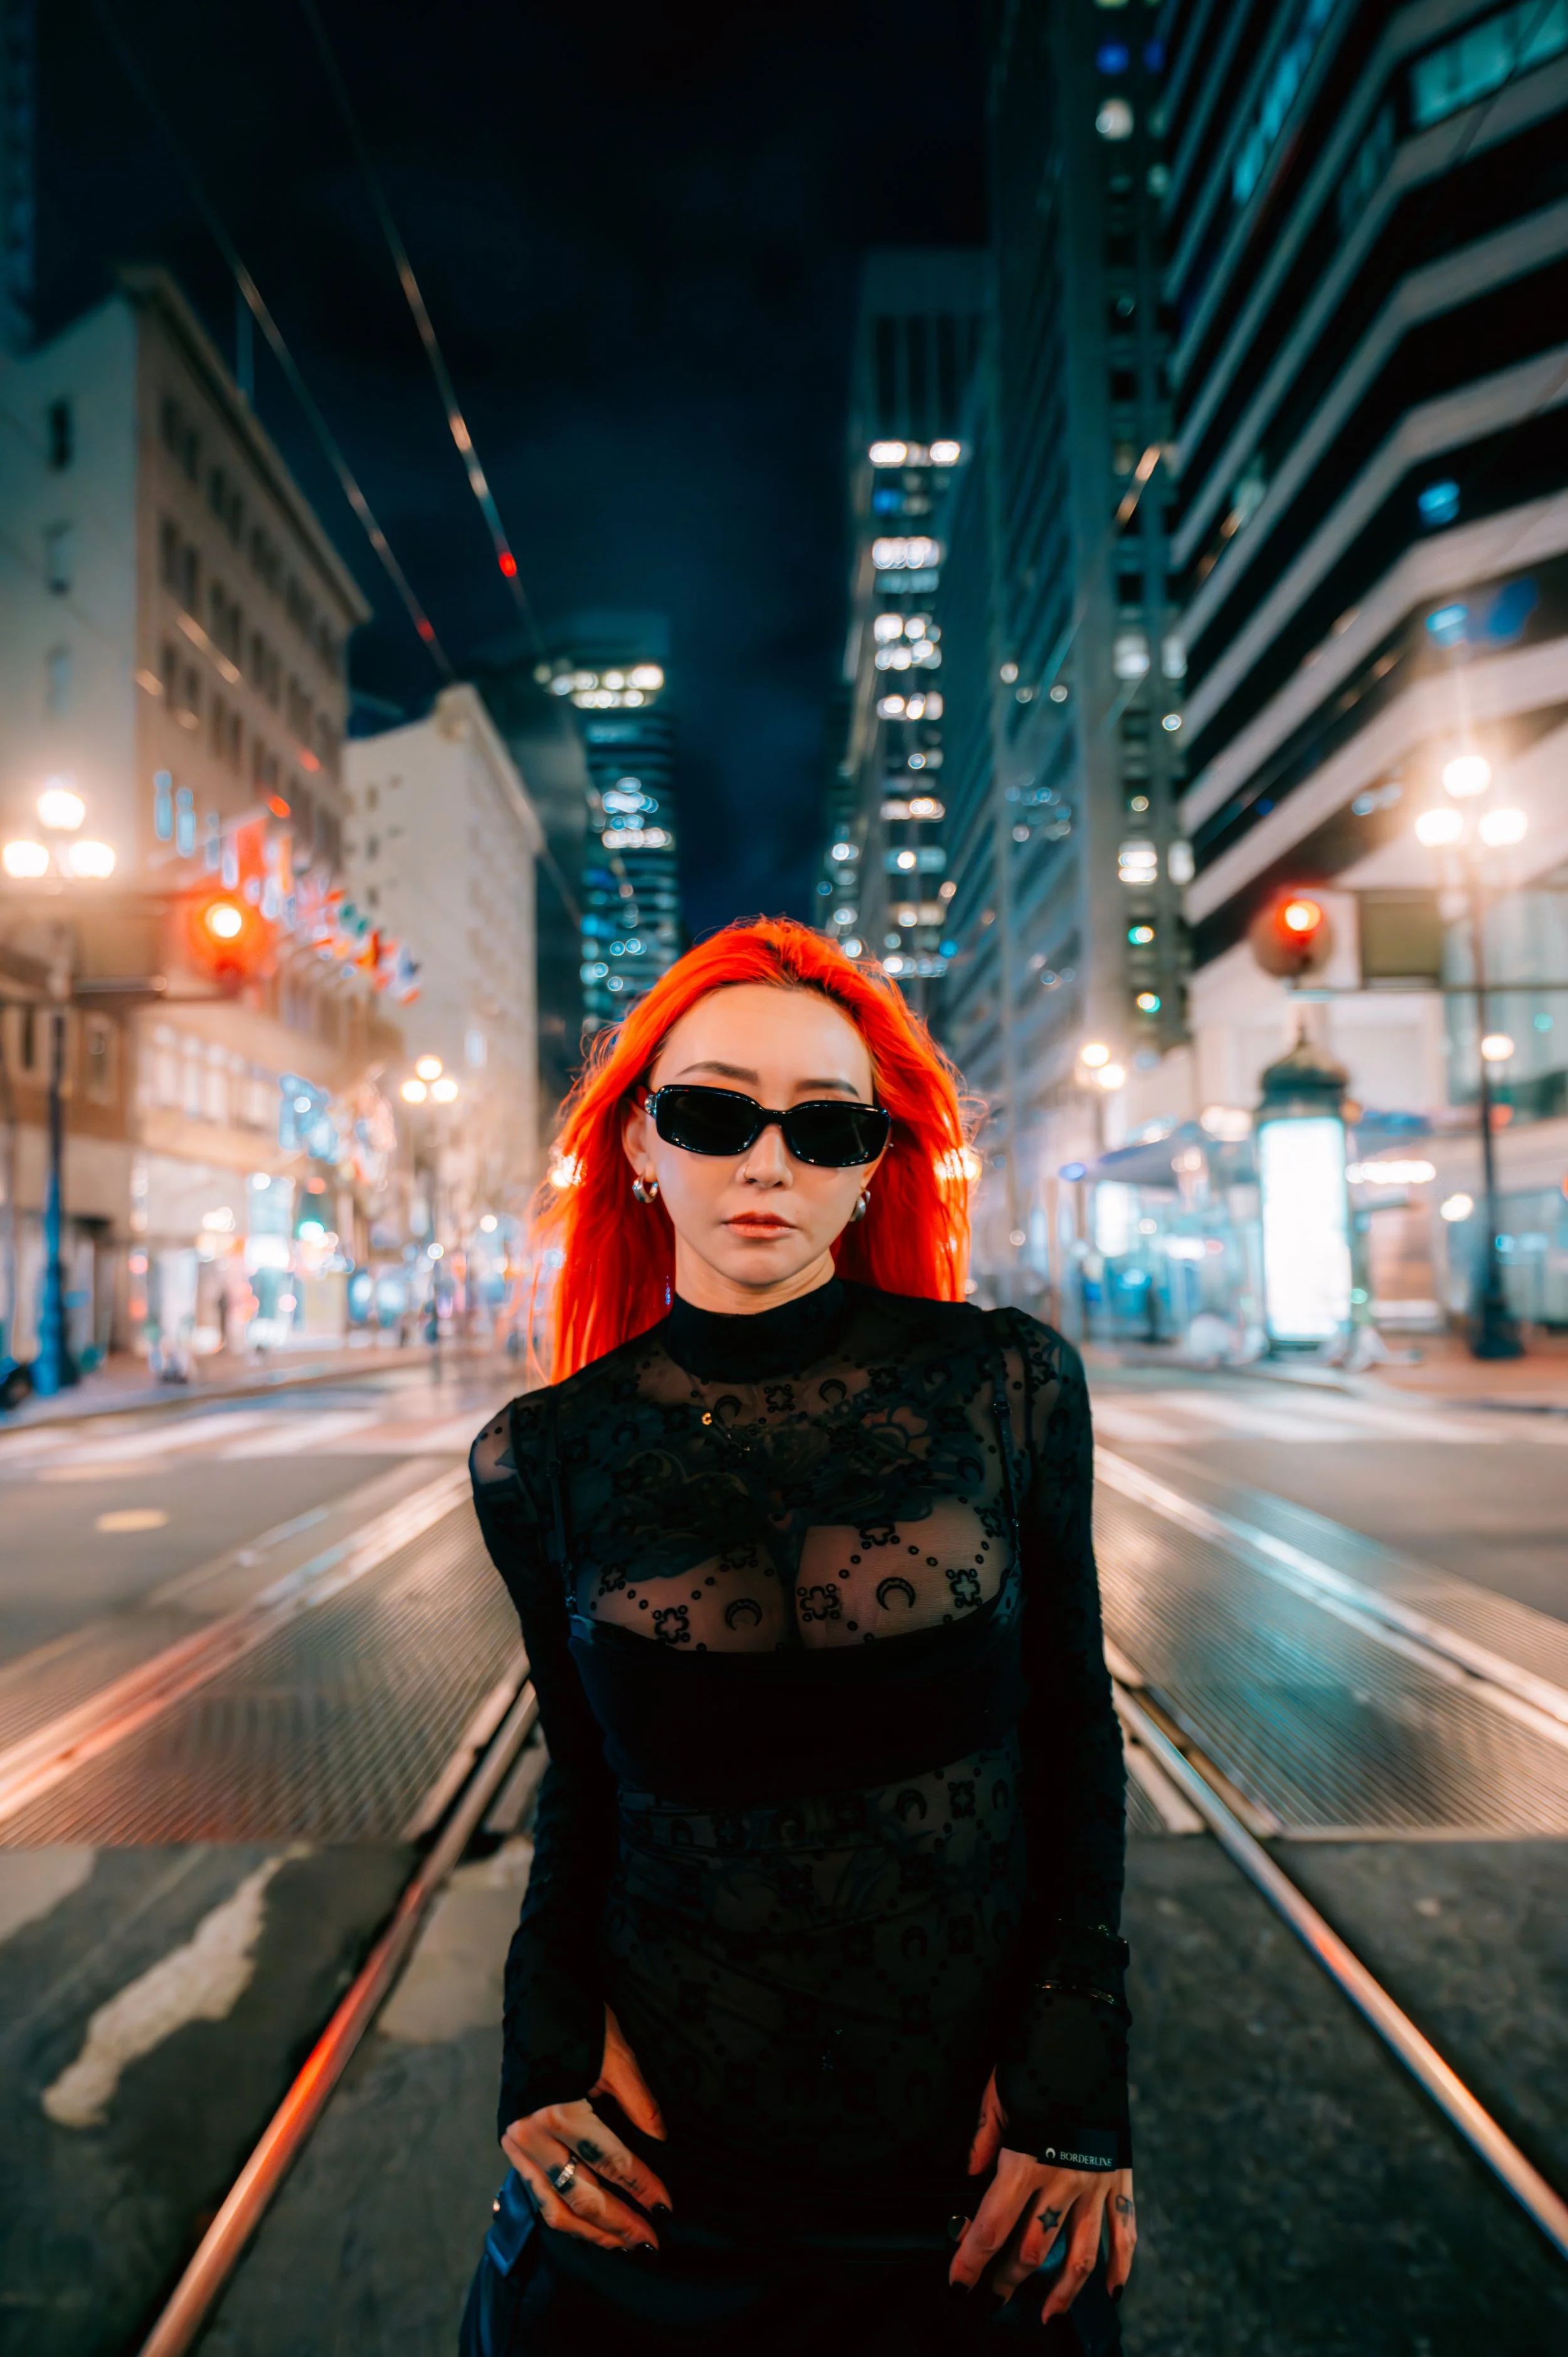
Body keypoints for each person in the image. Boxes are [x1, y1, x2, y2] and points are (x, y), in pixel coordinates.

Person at [464, 918, 1135, 2354]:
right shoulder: (544, 1456)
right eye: (711, 1114)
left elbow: (1071, 1724)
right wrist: (539, 2047)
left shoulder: (1004, 1385)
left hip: (968, 2175)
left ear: (873, 1164)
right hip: (662, 2189)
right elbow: (581, 1775)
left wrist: (1076, 2071)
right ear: (638, 1145)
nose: (765, 1163)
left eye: (823, 1128)